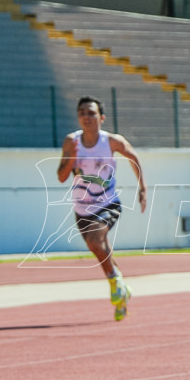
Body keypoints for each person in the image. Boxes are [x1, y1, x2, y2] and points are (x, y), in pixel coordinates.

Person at [57, 96, 147, 321]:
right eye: (82, 113)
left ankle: (115, 282)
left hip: (108, 203)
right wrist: (72, 158)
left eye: (91, 113)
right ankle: (120, 288)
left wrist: (142, 188)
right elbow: (61, 176)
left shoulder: (111, 142)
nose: (86, 117)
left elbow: (133, 156)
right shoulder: (71, 142)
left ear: (102, 117)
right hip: (82, 207)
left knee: (96, 241)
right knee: (98, 247)